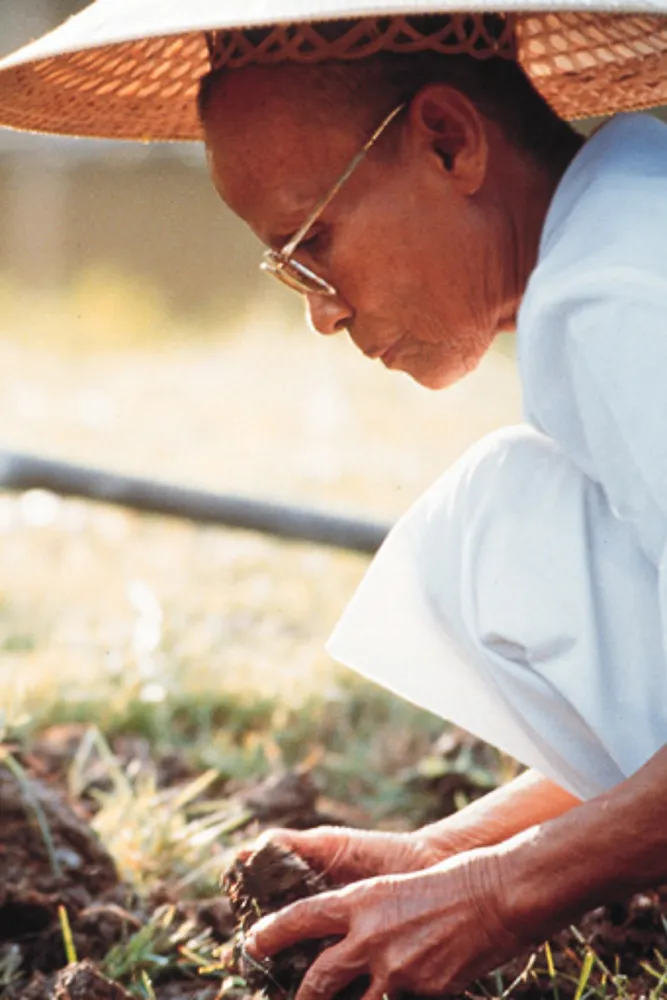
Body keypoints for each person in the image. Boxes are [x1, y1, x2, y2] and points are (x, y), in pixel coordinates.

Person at [2, 3, 667, 995]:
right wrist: (454, 847)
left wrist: (498, 895)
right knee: (505, 522)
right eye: (287, 269)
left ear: (447, 142)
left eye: (312, 238)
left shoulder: (623, 297)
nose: (321, 309)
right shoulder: (621, 232)